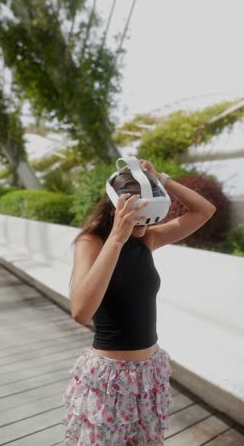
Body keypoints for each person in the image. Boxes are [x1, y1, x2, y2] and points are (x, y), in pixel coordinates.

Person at [62, 159, 216, 445]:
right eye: (140, 214)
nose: (148, 224)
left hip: (150, 374)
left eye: (153, 214)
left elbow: (204, 211)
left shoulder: (146, 239)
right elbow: (81, 313)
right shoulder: (91, 242)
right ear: (115, 208)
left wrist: (161, 178)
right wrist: (117, 238)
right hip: (109, 378)